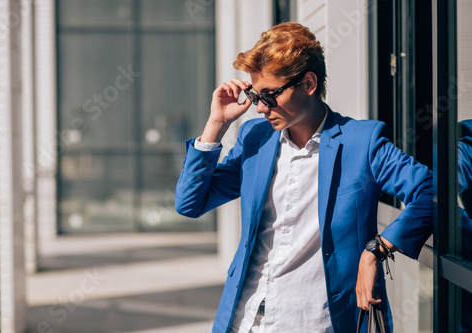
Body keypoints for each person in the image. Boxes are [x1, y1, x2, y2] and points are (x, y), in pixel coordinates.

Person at [175, 22, 433, 333]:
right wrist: (215, 124)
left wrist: (376, 250)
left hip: (317, 322)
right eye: (256, 95)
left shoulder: (362, 142)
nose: (259, 108)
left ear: (308, 83)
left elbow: (430, 193)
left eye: (270, 95)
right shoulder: (255, 139)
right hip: (246, 320)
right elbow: (190, 203)